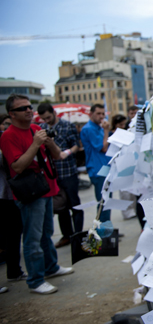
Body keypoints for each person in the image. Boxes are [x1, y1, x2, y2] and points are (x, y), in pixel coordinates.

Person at [0, 94, 73, 294]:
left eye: (29, 106)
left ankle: (51, 268)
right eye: (22, 108)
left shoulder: (36, 129)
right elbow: (17, 166)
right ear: (11, 114)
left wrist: (48, 142)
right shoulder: (8, 136)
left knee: (46, 233)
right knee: (33, 238)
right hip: (30, 192)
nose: (28, 110)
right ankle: (35, 280)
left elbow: (57, 155)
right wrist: (35, 144)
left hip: (46, 187)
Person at [37, 103, 83, 248]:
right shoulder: (42, 129)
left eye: (49, 117)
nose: (47, 121)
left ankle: (78, 235)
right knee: (61, 207)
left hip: (68, 171)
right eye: (44, 119)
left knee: (75, 205)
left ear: (54, 113)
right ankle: (67, 235)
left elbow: (76, 145)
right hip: (53, 174)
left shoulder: (67, 126)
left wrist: (66, 153)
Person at [0, 116, 26, 292]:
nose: (7, 128)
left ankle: (14, 270)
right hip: (3, 195)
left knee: (15, 232)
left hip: (11, 194)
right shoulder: (5, 139)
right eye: (5, 125)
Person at [80, 104, 112, 223]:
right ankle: (103, 233)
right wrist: (106, 131)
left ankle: (107, 230)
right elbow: (103, 148)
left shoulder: (98, 127)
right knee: (103, 203)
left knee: (107, 202)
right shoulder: (88, 129)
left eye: (103, 114)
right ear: (91, 114)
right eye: (98, 113)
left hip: (104, 167)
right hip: (98, 170)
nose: (101, 116)